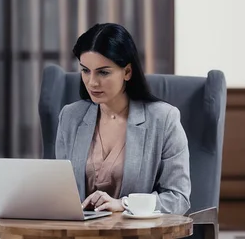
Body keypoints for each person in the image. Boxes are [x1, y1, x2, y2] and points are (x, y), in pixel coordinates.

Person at [55, 23, 191, 215]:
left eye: (103, 72)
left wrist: (124, 204)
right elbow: (61, 192)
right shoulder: (70, 117)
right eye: (86, 70)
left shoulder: (164, 119)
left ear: (127, 72)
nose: (92, 82)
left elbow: (178, 198)